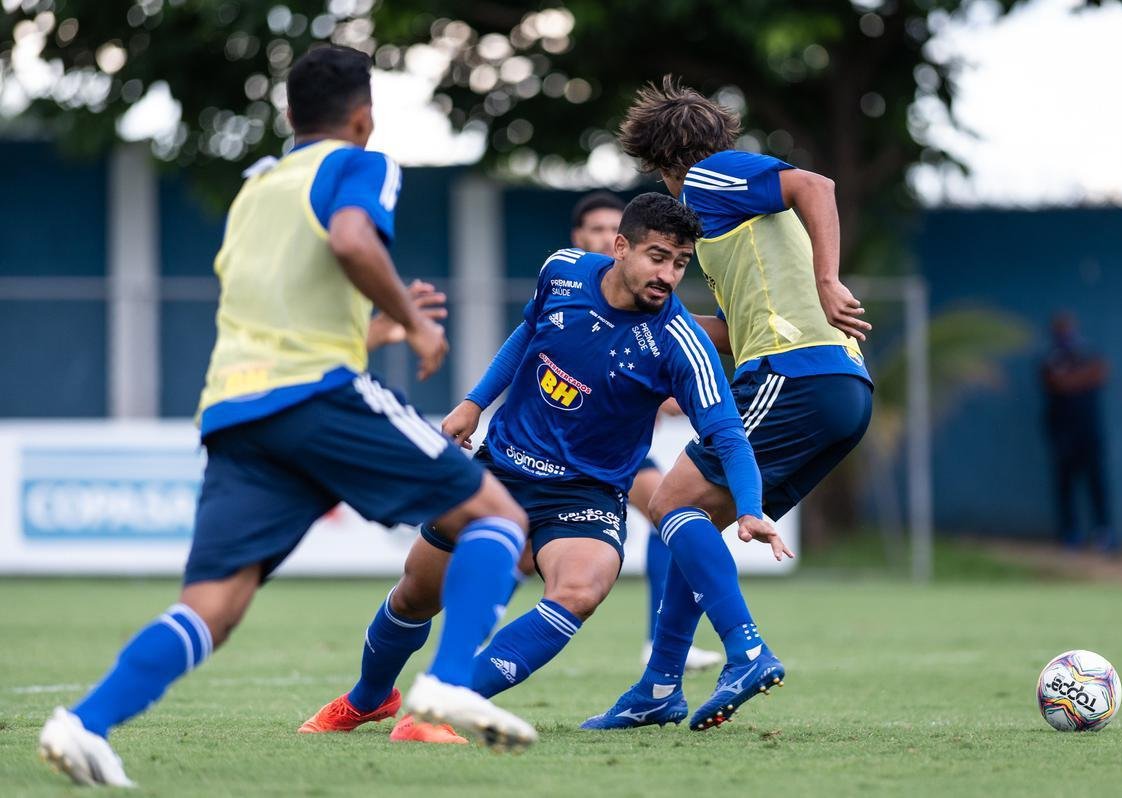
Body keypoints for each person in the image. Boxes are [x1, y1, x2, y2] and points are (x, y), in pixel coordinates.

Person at [37, 47, 536, 787]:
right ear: (363, 117)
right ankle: (449, 680)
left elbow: (275, 313)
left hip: (237, 411)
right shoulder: (361, 164)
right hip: (315, 395)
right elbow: (351, 239)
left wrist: (373, 331)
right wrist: (416, 322)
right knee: (496, 516)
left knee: (213, 607)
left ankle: (84, 724)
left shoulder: (256, 188)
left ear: (288, 115)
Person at [299, 193, 771, 740]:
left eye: (680, 263)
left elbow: (727, 435)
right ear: (620, 247)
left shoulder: (680, 343)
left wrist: (752, 508)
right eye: (658, 256)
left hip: (586, 495)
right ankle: (368, 699)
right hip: (503, 470)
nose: (668, 274)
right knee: (415, 593)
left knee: (582, 588)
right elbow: (528, 332)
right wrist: (474, 402)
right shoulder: (564, 271)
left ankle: (446, 707)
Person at [583, 77, 874, 732]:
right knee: (691, 524)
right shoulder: (725, 225)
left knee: (669, 505)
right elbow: (733, 330)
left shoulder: (710, 180)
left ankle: (744, 650)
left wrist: (829, 280)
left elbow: (816, 186)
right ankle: (660, 686)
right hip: (840, 389)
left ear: (663, 162)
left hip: (796, 375)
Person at [569, 191, 721, 672]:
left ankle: (660, 642)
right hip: (559, 446)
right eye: (594, 229)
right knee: (519, 552)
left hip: (616, 454)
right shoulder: (566, 284)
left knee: (670, 510)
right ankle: (471, 634)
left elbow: (656, 358)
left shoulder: (650, 303)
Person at [1041, 311, 1113, 550]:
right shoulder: (1051, 357)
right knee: (1065, 486)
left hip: (1089, 433)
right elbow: (1055, 382)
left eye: (1068, 328)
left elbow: (1100, 373)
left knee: (1096, 484)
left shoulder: (1088, 351)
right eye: (1061, 329)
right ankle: (1070, 534)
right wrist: (1080, 379)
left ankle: (1103, 533)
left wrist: (1071, 379)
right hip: (1063, 434)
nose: (1066, 333)